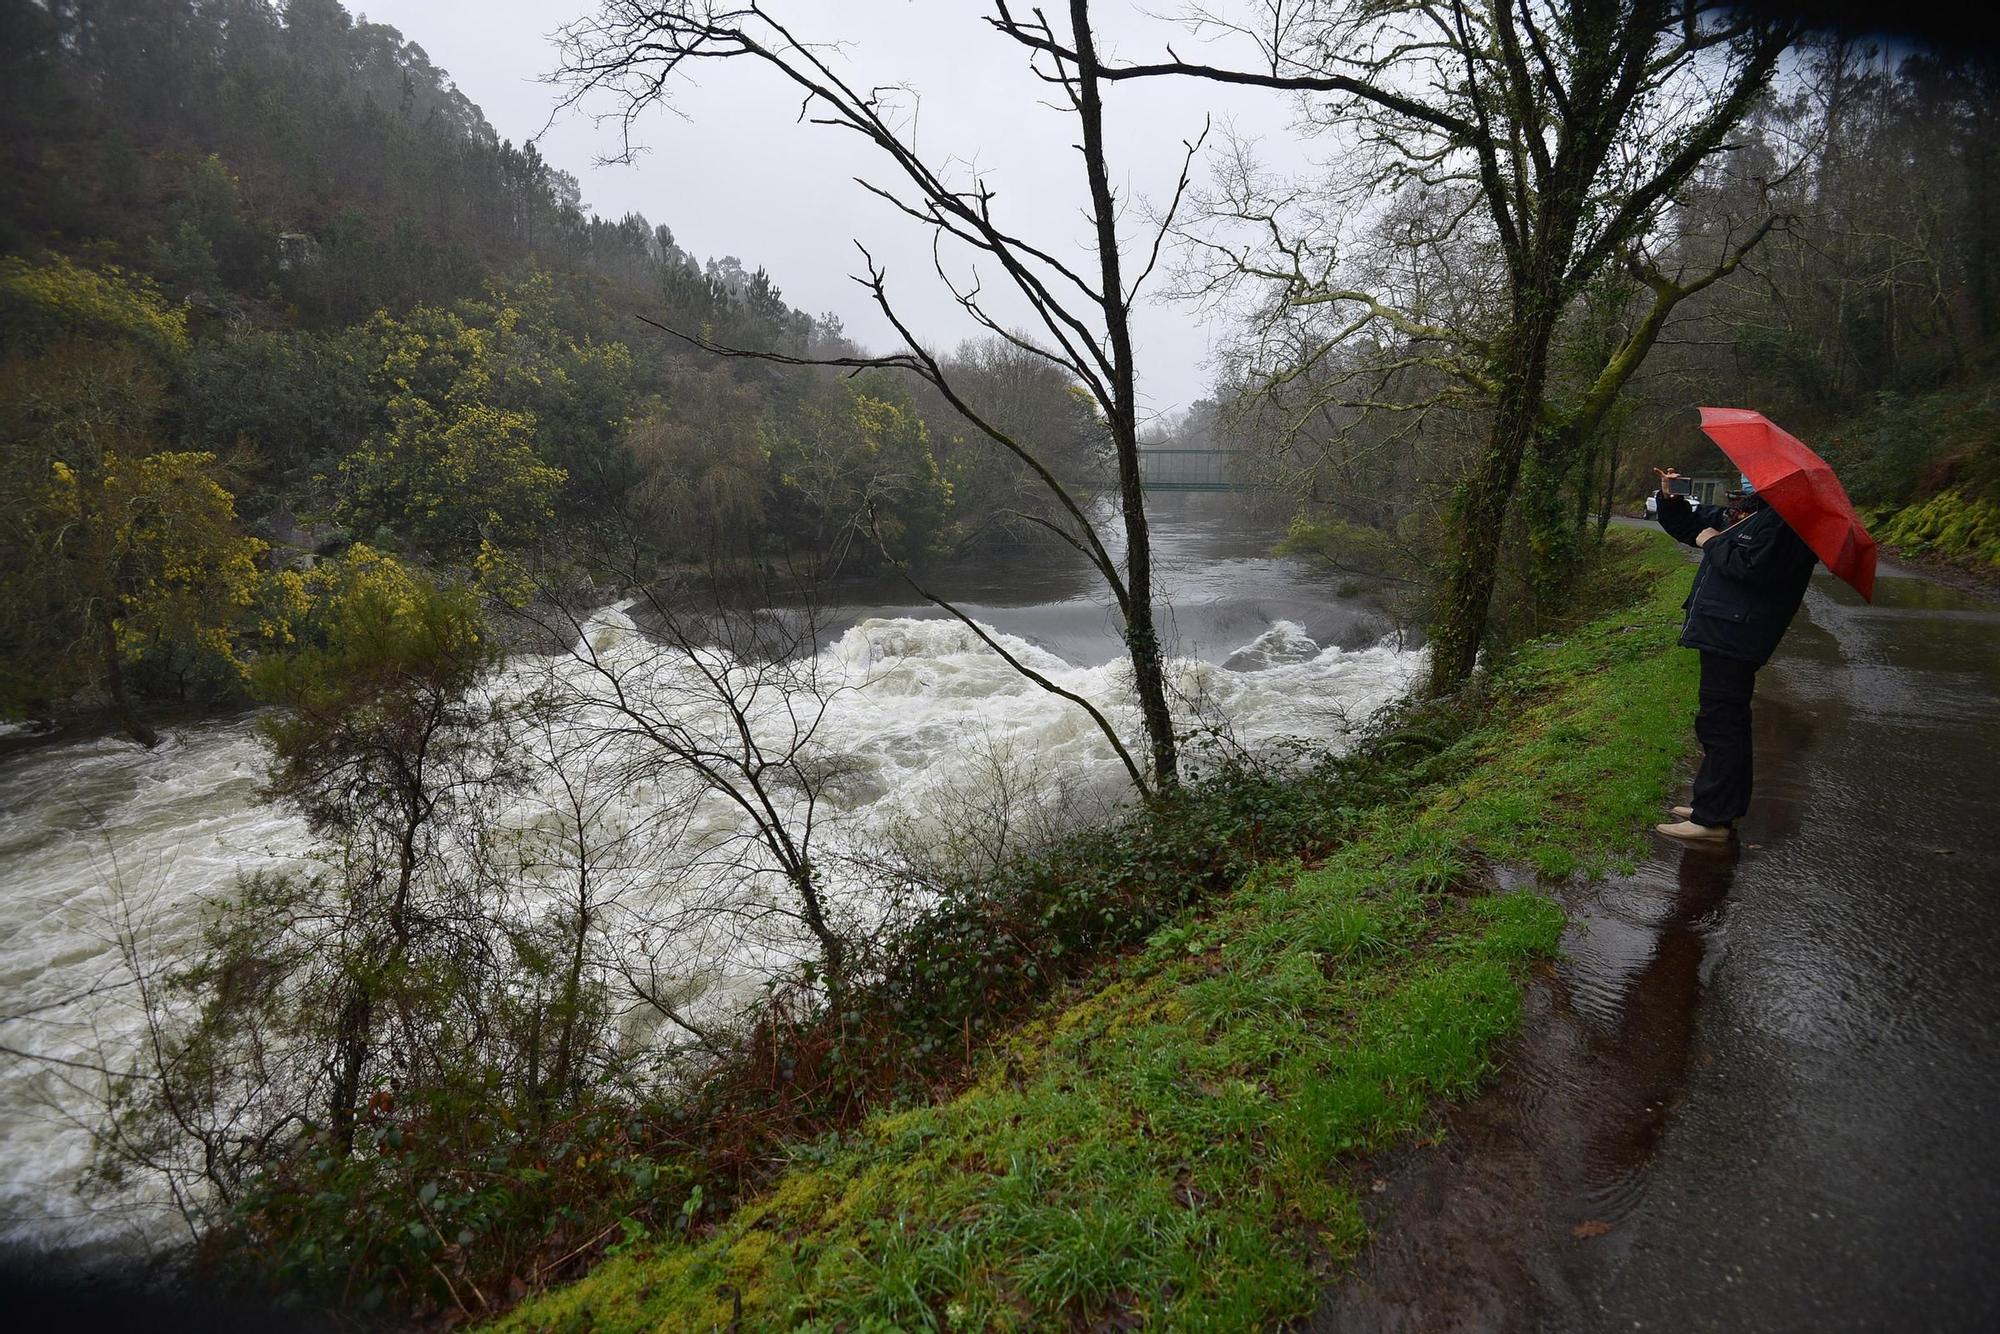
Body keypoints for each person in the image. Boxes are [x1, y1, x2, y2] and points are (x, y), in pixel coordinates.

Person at [1650, 468, 1818, 841]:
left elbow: (1750, 567)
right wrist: (1671, 498)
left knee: (1722, 723)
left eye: (1754, 475)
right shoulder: (1751, 513)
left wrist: (1711, 542)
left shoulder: (1785, 523)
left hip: (1738, 633)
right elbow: (1688, 525)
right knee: (1723, 721)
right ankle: (1716, 803)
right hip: (1725, 629)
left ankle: (1712, 819)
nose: (1746, 480)